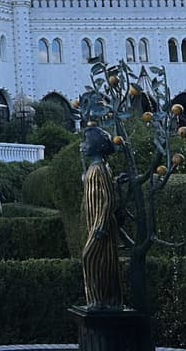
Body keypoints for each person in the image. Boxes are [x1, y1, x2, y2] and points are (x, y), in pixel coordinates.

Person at [80, 126, 122, 308]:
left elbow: (110, 199)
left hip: (101, 226)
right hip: (96, 225)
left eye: (87, 142)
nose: (82, 145)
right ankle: (109, 300)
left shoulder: (100, 169)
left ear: (96, 146)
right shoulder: (95, 168)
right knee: (105, 262)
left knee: (89, 258)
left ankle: (97, 301)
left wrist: (102, 225)